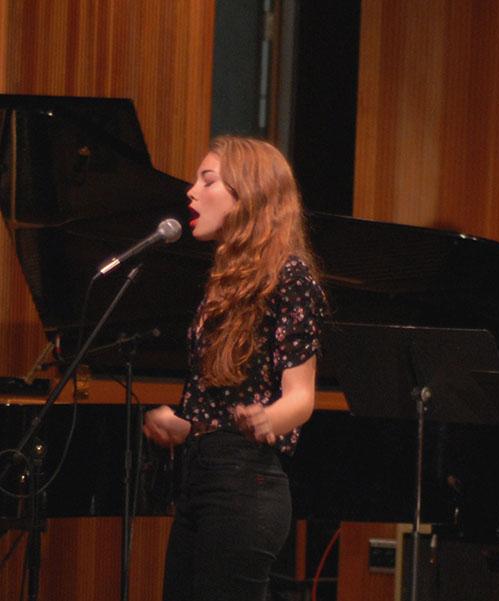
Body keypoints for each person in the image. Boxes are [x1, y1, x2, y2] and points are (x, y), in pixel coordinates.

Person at [143, 136, 326, 601]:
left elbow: (302, 395)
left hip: (247, 481)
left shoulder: (290, 276)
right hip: (200, 475)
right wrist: (185, 426)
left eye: (207, 180)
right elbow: (221, 404)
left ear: (248, 194)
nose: (190, 191)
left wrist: (270, 418)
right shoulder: (222, 283)